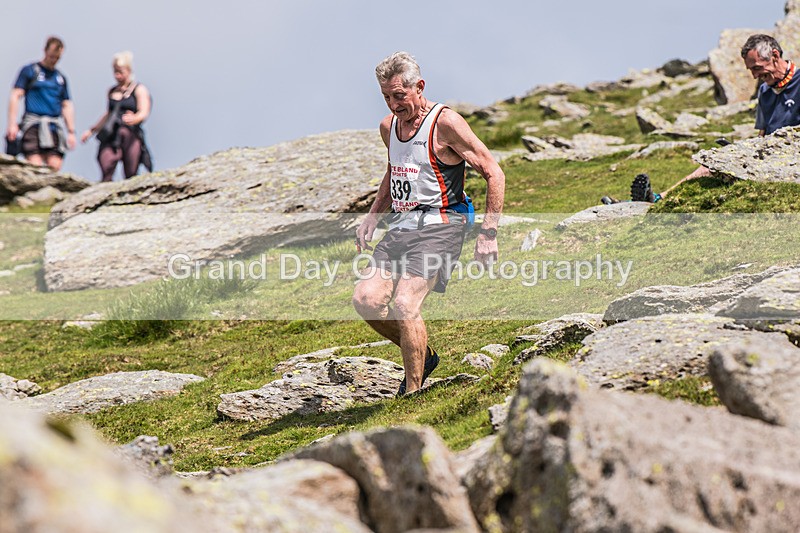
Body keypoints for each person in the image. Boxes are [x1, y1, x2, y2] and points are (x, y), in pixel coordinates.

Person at [352, 52, 505, 396]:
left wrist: (488, 233)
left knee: (405, 305)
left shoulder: (446, 123)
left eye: (399, 96)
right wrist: (374, 215)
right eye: (386, 97)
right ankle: (423, 355)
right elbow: (396, 170)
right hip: (401, 227)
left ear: (419, 87)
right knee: (366, 300)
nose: (393, 105)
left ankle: (413, 392)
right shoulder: (388, 128)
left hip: (442, 225)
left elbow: (494, 172)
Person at [602, 34, 800, 205]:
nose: (755, 76)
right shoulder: (765, 91)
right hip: (768, 156)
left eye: (757, 68)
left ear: (775, 55)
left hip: (790, 159)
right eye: (751, 70)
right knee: (709, 166)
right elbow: (762, 135)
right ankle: (654, 199)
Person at [5, 36, 76, 171]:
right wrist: (12, 124)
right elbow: (15, 95)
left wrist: (71, 131)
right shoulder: (30, 71)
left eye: (57, 58)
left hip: (53, 126)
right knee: (34, 165)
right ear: (45, 51)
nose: (54, 60)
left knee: (55, 165)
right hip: (33, 124)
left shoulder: (60, 78)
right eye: (51, 56)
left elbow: (66, 105)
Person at [81, 51, 152, 181]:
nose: (117, 75)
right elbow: (108, 114)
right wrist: (92, 130)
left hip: (130, 134)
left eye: (120, 71)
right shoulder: (112, 91)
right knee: (106, 163)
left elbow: (144, 111)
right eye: (115, 71)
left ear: (129, 70)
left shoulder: (139, 89)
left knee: (131, 172)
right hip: (111, 134)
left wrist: (134, 118)